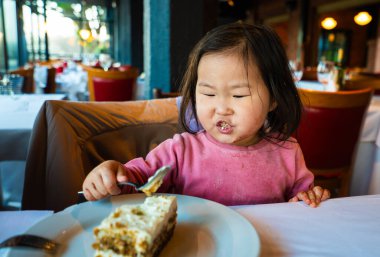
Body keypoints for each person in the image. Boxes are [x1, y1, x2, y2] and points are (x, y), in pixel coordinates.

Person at [83, 22, 330, 207]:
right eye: (209, 94)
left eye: (239, 95)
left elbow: (301, 203)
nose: (221, 108)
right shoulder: (180, 151)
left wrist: (308, 198)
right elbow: (137, 181)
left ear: (274, 98)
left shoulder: (287, 153)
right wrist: (112, 174)